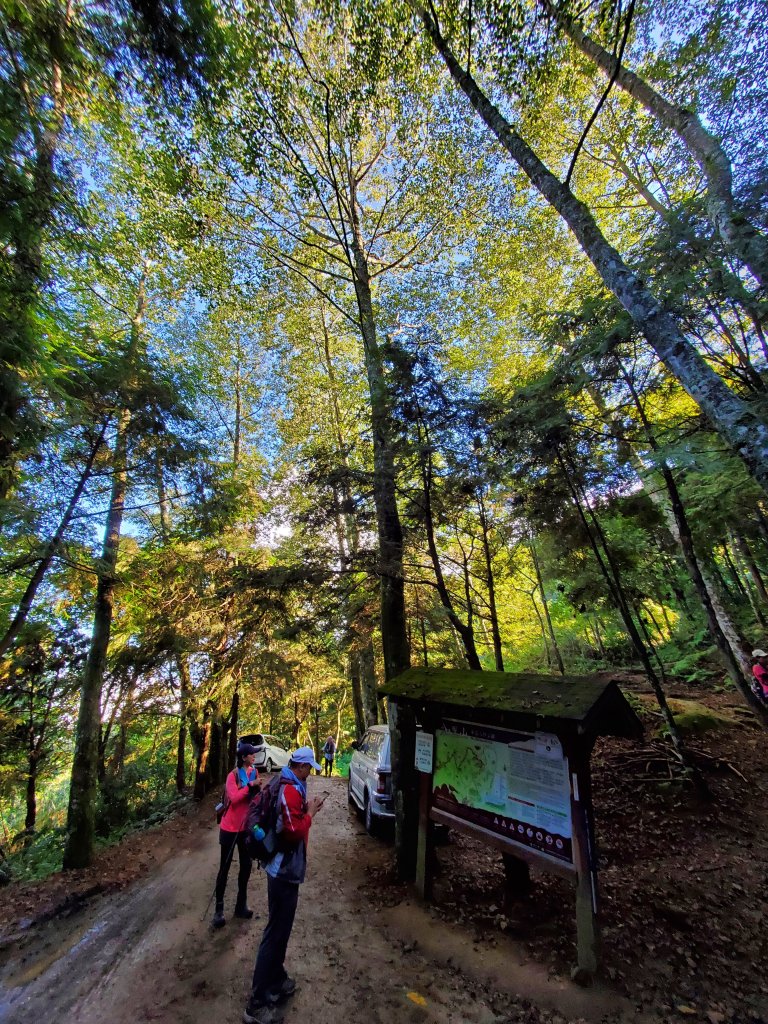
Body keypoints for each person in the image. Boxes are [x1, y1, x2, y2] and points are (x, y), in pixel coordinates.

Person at [243, 746, 326, 1024]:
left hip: (282, 870)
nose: (311, 773)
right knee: (275, 932)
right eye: (309, 768)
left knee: (281, 929)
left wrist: (306, 809)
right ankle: (256, 1004)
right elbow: (292, 831)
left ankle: (276, 981)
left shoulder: (286, 782)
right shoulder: (290, 787)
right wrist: (311, 812)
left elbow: (287, 820)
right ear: (300, 767)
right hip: (282, 871)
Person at [213, 741, 261, 928]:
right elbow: (233, 798)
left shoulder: (254, 772)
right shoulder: (232, 776)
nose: (254, 756)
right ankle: (219, 910)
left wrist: (257, 791)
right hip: (229, 828)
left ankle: (241, 905)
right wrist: (251, 786)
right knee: (224, 868)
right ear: (243, 757)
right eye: (251, 754)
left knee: (246, 866)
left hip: (245, 828)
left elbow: (254, 798)